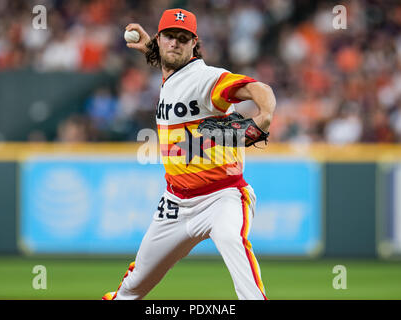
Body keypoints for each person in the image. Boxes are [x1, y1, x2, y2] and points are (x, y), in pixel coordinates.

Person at [103, 8, 276, 300]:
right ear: (160, 39)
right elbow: (172, 66)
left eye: (183, 38)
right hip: (175, 203)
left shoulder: (208, 78)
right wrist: (150, 48)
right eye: (170, 36)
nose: (175, 43)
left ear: (194, 44)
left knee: (231, 239)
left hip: (222, 195)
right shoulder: (173, 75)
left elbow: (259, 89)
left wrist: (266, 115)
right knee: (133, 287)